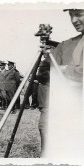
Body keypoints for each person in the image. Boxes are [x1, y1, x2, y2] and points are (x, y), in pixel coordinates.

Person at [37, 9, 84, 157]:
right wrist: (47, 56)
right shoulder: (66, 45)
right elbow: (44, 73)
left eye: (79, 13)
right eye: (71, 15)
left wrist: (65, 69)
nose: (74, 20)